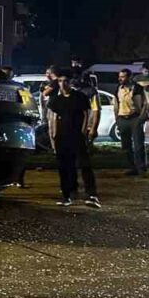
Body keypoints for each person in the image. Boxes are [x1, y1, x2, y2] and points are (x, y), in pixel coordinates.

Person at [47, 67, 100, 208]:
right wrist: (53, 138)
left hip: (77, 136)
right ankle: (67, 195)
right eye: (60, 81)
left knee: (84, 165)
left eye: (65, 81)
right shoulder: (55, 100)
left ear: (70, 82)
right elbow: (52, 119)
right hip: (62, 137)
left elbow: (86, 113)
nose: (62, 84)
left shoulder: (79, 97)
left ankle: (92, 195)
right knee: (64, 167)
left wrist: (86, 130)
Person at [115, 68, 149, 176]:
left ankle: (141, 168)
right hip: (122, 118)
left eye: (123, 76)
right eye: (119, 76)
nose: (120, 79)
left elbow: (145, 103)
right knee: (126, 145)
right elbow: (116, 104)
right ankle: (131, 167)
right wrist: (117, 119)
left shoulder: (137, 88)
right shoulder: (118, 88)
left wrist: (141, 118)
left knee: (138, 145)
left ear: (129, 77)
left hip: (134, 118)